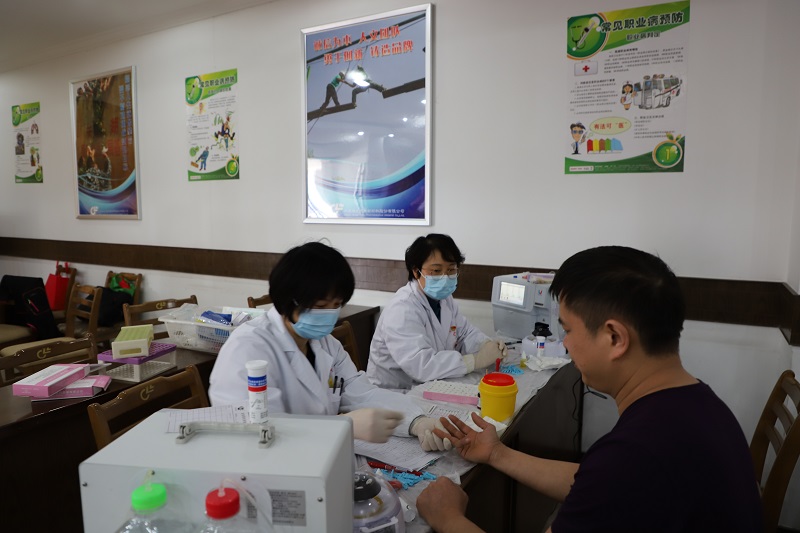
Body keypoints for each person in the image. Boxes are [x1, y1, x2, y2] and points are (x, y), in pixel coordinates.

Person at [417, 246, 763, 532]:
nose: (565, 344)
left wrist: (448, 518)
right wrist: (497, 454)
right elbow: (593, 480)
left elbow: (613, 477)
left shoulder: (636, 454)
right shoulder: (699, 405)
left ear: (614, 338)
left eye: (568, 330)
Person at [209, 241, 453, 451]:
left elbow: (362, 392)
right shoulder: (247, 349)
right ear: (287, 300)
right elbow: (256, 433)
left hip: (318, 457)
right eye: (320, 306)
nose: (329, 314)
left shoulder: (325, 344)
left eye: (336, 305)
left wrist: (416, 421)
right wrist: (343, 425)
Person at [367, 234, 507, 390]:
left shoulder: (444, 299)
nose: (445, 277)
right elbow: (422, 365)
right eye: (436, 270)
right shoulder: (402, 308)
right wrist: (474, 361)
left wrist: (485, 344)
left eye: (451, 270)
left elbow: (465, 333)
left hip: (431, 385)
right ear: (416, 271)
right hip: (395, 392)